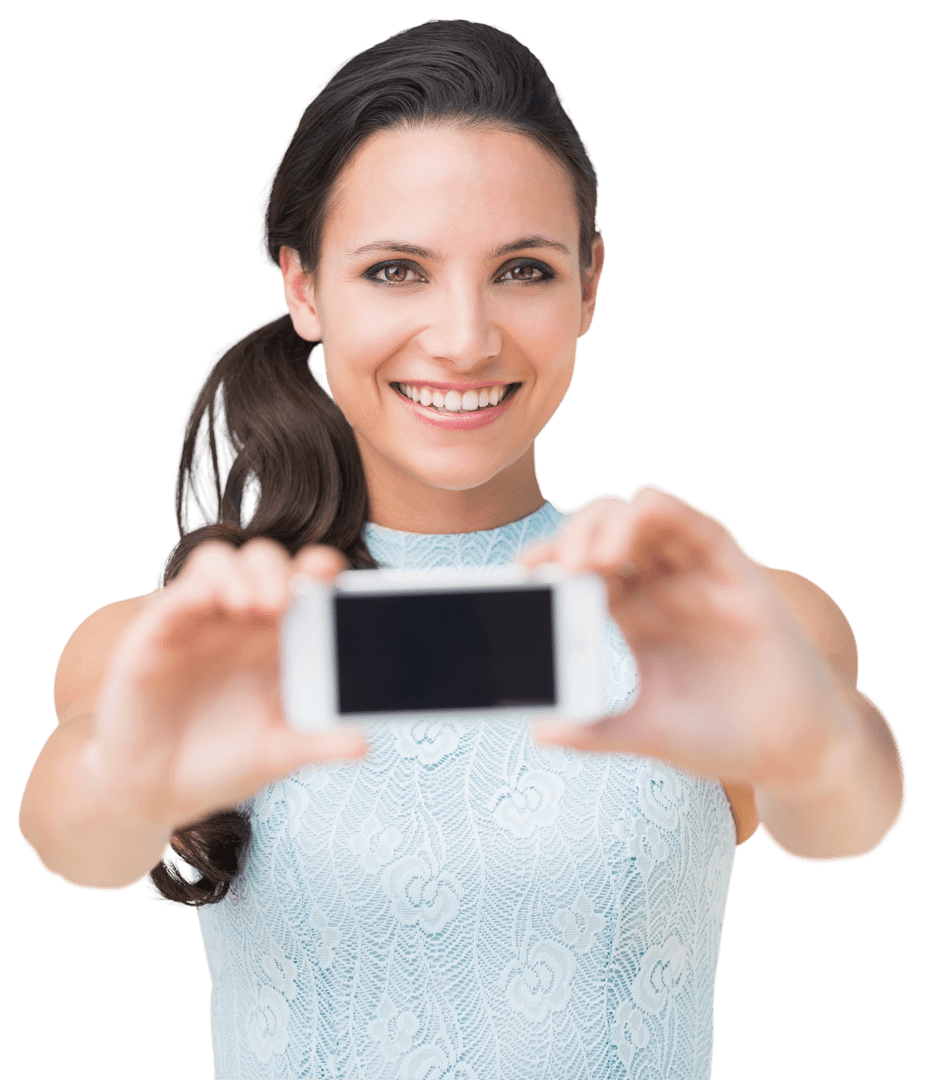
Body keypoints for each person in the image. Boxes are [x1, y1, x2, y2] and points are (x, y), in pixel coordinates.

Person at [19, 17, 906, 1080]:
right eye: (395, 270)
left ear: (588, 285)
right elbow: (71, 840)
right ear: (302, 288)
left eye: (521, 270)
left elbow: (847, 816)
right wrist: (129, 778)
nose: (463, 337)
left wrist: (806, 745)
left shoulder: (717, 622)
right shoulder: (185, 645)